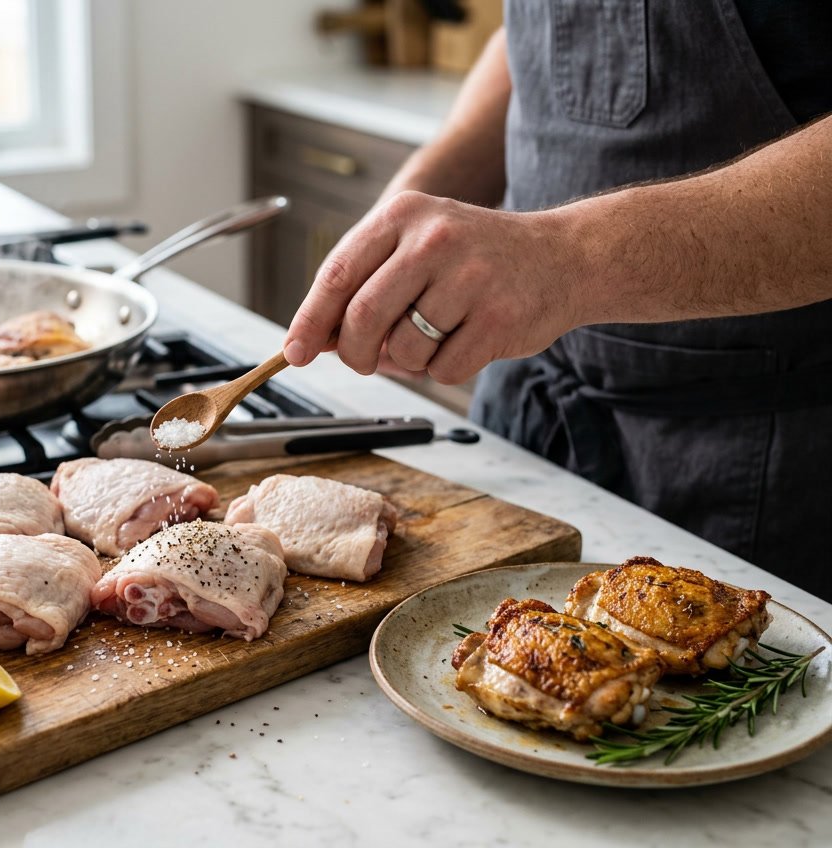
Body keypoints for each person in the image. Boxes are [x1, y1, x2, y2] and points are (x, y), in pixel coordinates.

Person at [281, 2, 832, 601]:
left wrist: (565, 257)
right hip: (526, 408)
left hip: (756, 457)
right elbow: (541, 34)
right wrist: (415, 211)